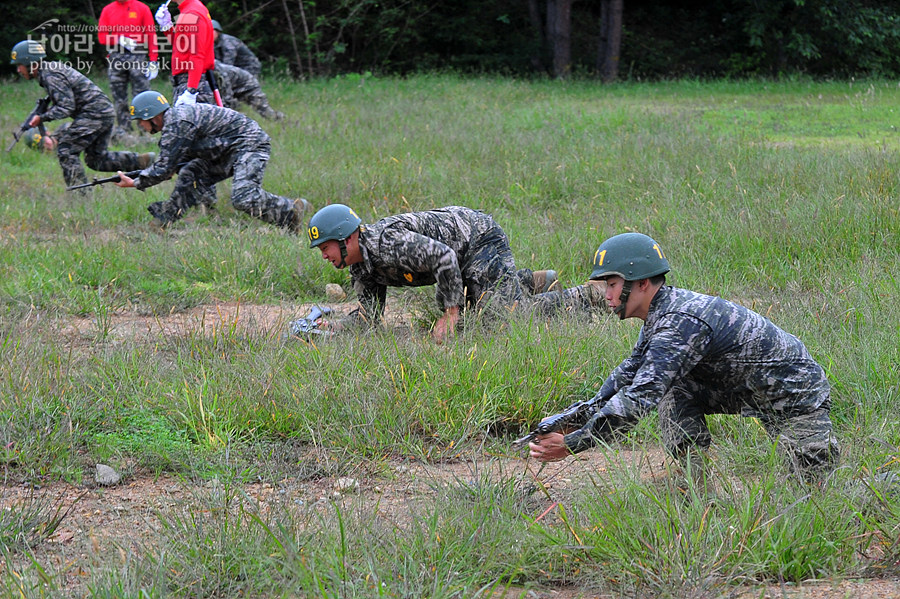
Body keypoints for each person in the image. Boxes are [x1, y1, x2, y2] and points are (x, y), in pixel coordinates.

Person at [528, 232, 840, 482]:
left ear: (642, 283)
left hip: (795, 397)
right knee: (674, 391)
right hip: (746, 390)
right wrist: (568, 419)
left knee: (814, 493)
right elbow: (623, 380)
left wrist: (573, 444)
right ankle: (694, 483)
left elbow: (639, 397)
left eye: (611, 284)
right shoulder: (661, 315)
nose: (606, 294)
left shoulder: (678, 323)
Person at [306, 204, 605, 343]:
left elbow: (444, 257)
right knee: (481, 311)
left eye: (325, 247)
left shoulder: (387, 243)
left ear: (347, 239)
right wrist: (335, 327)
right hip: (460, 259)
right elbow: (369, 315)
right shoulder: (361, 265)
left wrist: (450, 314)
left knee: (502, 319)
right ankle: (533, 281)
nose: (324, 255)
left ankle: (590, 294)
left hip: (477, 239)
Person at [114, 90, 310, 231]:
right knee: (190, 174)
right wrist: (166, 170)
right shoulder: (175, 121)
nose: (140, 125)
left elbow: (164, 168)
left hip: (248, 144)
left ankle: (292, 210)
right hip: (225, 150)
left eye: (140, 120)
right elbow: (175, 161)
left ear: (153, 116)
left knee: (243, 197)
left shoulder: (177, 124)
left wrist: (136, 182)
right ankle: (163, 220)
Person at [9, 40, 154, 190]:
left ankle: (80, 194)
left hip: (94, 113)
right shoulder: (49, 71)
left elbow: (66, 106)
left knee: (66, 149)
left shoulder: (50, 75)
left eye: (19, 65)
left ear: (30, 63)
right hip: (102, 112)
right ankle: (142, 161)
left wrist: (42, 117)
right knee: (96, 159)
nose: (19, 70)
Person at [97, 0, 159, 137]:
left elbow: (151, 34)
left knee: (142, 94)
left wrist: (153, 59)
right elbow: (102, 37)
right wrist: (118, 39)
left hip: (137, 54)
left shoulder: (142, 8)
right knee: (119, 97)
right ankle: (124, 131)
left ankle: (146, 129)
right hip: (116, 55)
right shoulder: (108, 10)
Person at [155, 0, 216, 105]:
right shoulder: (188, 9)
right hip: (188, 81)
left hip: (192, 83)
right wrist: (167, 26)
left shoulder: (192, 12)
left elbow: (197, 54)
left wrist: (191, 91)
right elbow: (181, 46)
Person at [214, 62, 283, 120]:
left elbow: (226, 97)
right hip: (234, 86)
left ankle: (282, 121)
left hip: (249, 86)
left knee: (267, 113)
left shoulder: (218, 70)